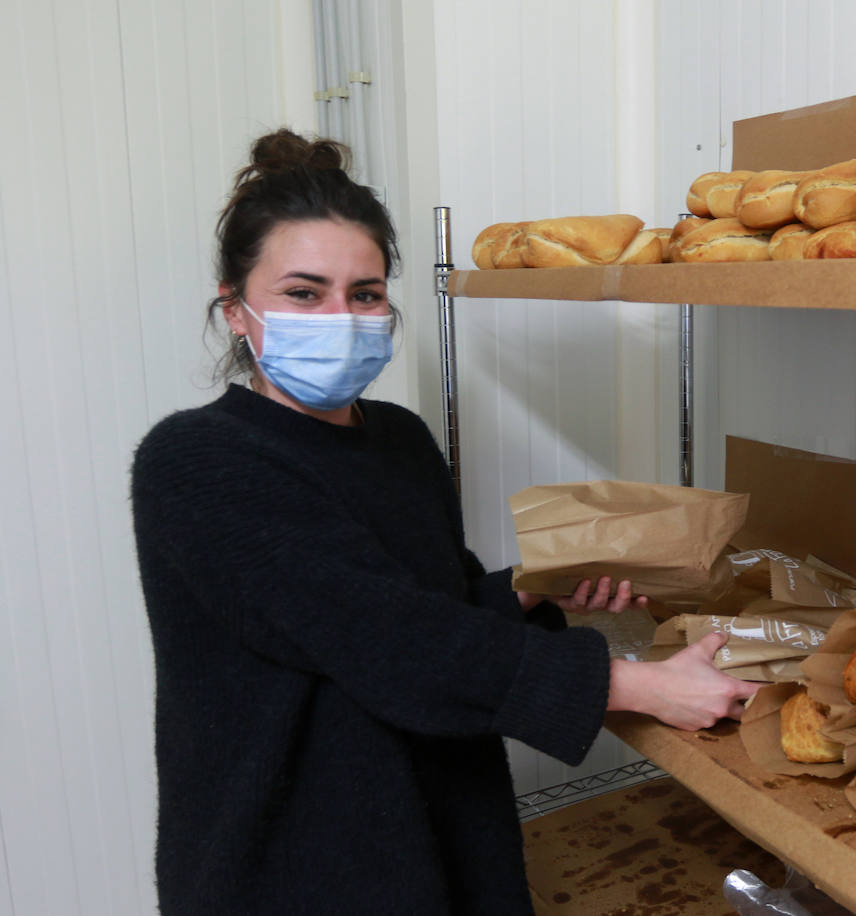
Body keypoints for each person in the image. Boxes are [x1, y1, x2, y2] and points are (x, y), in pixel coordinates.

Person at [130, 129, 760, 915]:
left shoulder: (397, 438)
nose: (342, 316)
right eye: (303, 293)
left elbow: (432, 601)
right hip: (297, 858)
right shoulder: (195, 462)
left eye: (364, 294)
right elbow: (386, 638)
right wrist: (634, 685)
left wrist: (535, 591)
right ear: (235, 310)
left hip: (445, 823)